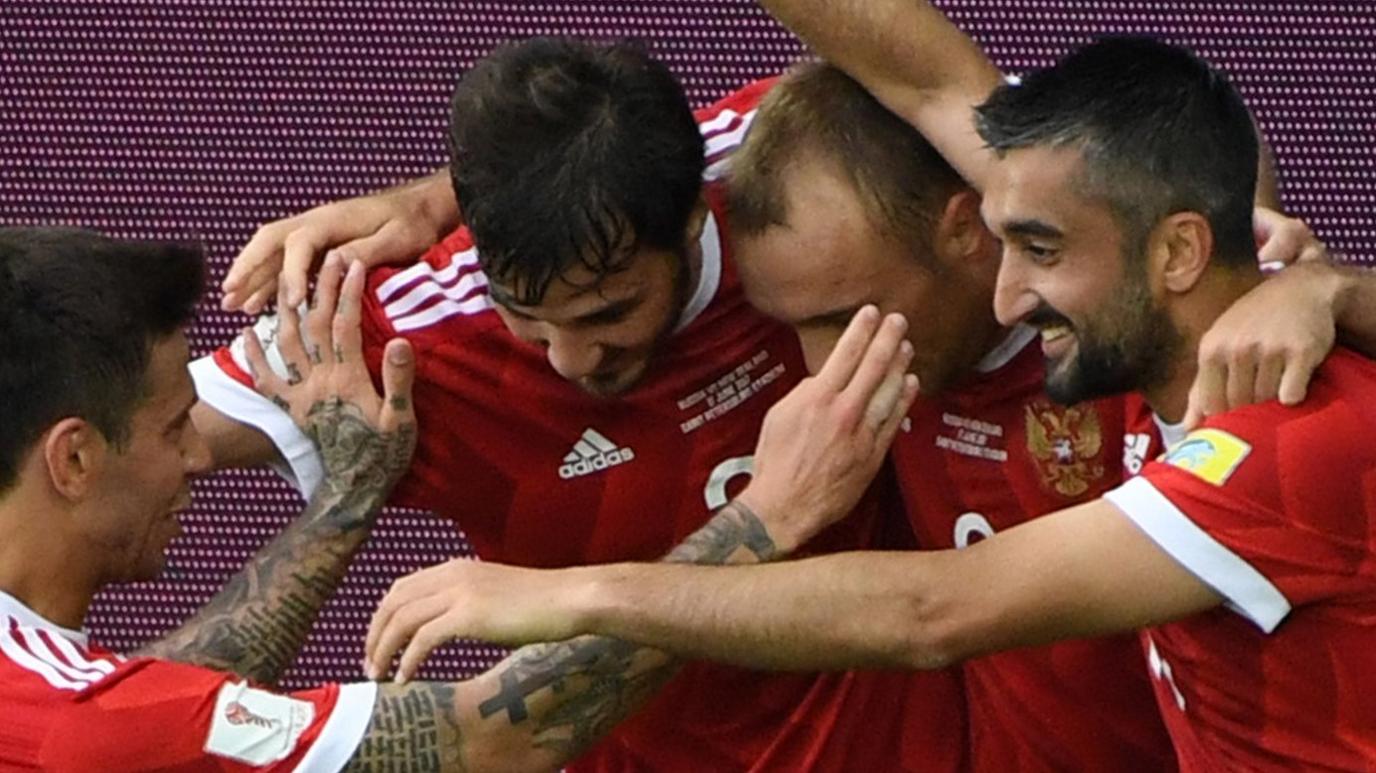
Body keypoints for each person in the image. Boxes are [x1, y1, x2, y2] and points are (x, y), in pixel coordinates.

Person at [362, 37, 1376, 771]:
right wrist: (434, 197)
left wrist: (574, 591)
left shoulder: (1276, 435)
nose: (1012, 293)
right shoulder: (942, 356)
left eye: (1041, 250)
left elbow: (931, 608)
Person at [193, 38, 965, 772]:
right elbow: (120, 436)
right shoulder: (402, 336)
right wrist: (435, 202)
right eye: (523, 315)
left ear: (694, 222)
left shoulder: (778, 180)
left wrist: (431, 196)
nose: (571, 358)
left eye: (607, 312)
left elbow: (1011, 124)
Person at [0, 225, 916, 770]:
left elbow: (162, 708)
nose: (199, 456)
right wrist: (763, 522)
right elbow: (493, 741)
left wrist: (347, 497)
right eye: (171, 429)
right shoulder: (80, 728)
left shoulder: (55, 700)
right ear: (72, 459)